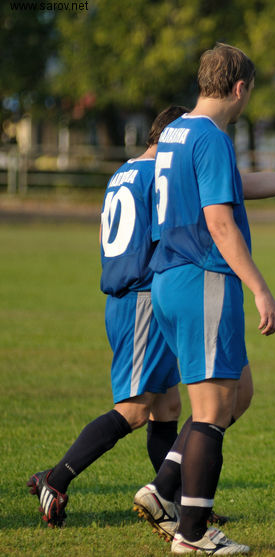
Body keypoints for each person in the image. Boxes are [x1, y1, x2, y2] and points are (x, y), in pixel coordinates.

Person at [131, 43, 275, 554]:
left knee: (238, 392)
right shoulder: (212, 136)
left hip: (170, 277)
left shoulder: (176, 132)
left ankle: (163, 489)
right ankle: (193, 533)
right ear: (240, 88)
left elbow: (235, 186)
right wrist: (260, 288)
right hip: (203, 279)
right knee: (213, 410)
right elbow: (220, 222)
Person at [26, 105, 190, 528]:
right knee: (134, 410)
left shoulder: (123, 172)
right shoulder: (158, 176)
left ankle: (178, 502)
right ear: (170, 138)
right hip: (141, 299)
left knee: (167, 406)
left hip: (129, 295)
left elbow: (105, 233)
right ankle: (56, 479)